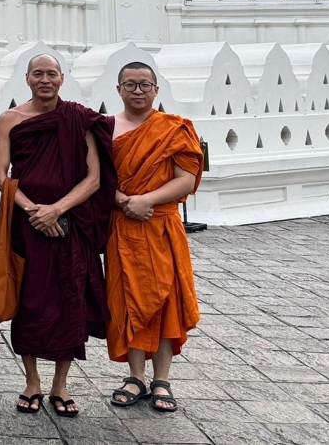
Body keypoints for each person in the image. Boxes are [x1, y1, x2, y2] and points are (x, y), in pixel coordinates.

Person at [0, 54, 116, 419]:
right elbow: (0, 175)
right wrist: (34, 211)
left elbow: (93, 178)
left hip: (69, 224)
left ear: (62, 78)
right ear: (27, 79)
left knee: (70, 300)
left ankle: (61, 384)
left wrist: (56, 209)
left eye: (51, 74)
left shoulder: (79, 119)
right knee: (29, 301)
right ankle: (31, 382)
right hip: (26, 224)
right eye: (37, 74)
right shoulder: (10, 119)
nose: (45, 80)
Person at [105, 61, 202, 414]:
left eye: (145, 85)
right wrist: (125, 202)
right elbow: (98, 176)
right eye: (130, 85)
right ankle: (134, 376)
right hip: (124, 228)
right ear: (118, 89)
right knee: (128, 302)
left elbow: (186, 179)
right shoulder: (107, 128)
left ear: (156, 90)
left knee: (166, 304)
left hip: (161, 226)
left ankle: (161, 379)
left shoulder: (174, 128)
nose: (138, 91)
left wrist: (146, 200)